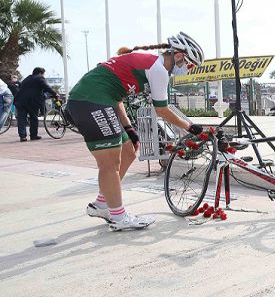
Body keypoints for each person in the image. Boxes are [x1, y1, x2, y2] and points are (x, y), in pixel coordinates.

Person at [66, 31, 205, 232]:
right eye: (189, 65)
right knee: (109, 164)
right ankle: (118, 216)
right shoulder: (157, 69)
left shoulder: (150, 64)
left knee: (128, 151)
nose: (189, 70)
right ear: (178, 56)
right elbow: (161, 109)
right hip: (90, 102)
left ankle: (102, 204)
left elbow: (117, 96)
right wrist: (190, 127)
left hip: (98, 101)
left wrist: (129, 129)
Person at [13, 67, 58, 142]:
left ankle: (22, 136)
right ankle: (33, 135)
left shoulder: (26, 79)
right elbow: (47, 87)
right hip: (32, 102)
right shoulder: (40, 78)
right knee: (33, 118)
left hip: (20, 101)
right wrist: (55, 94)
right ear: (40, 73)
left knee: (21, 119)